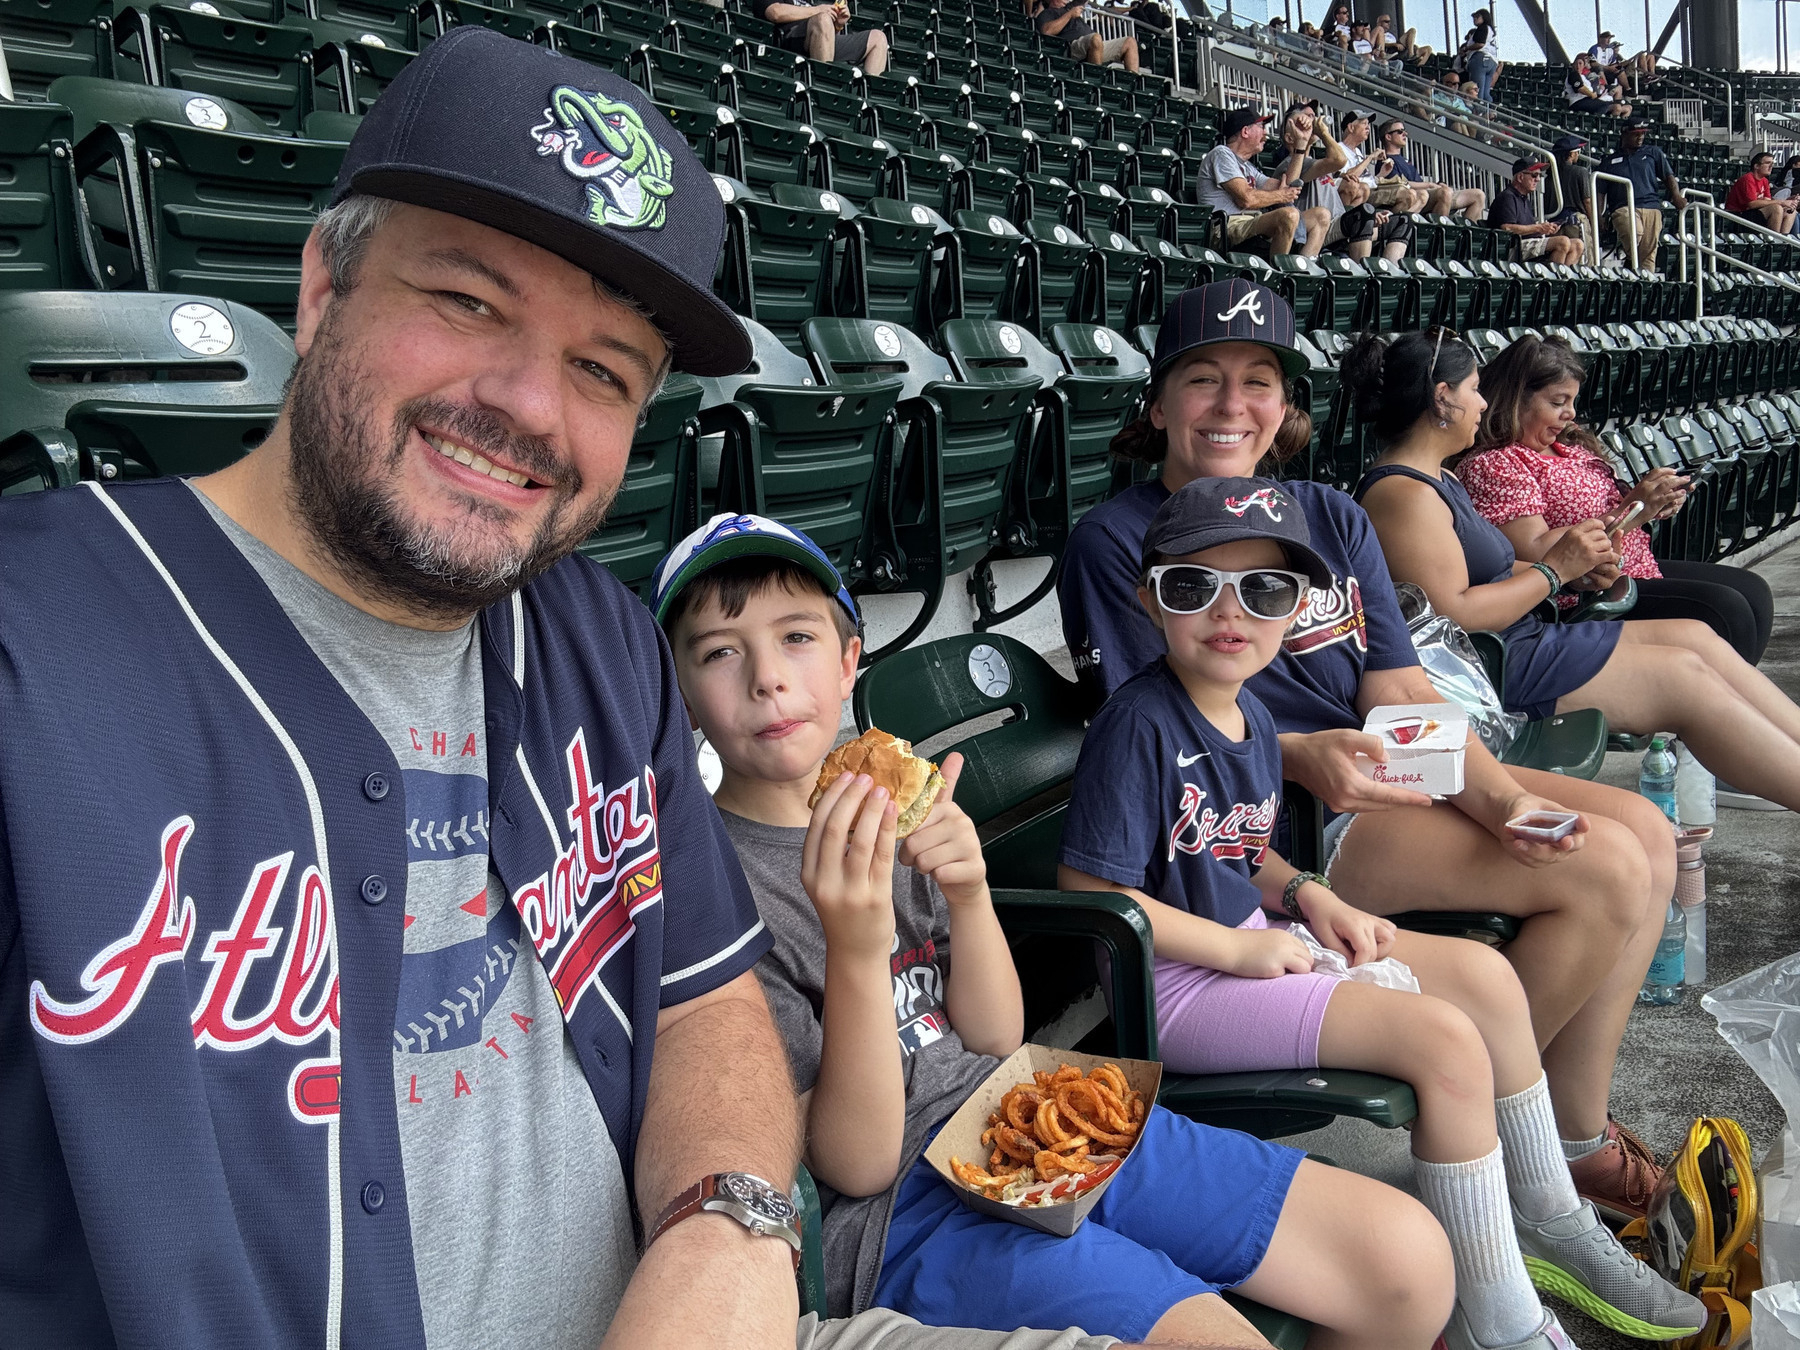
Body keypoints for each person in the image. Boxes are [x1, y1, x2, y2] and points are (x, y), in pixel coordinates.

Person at [0, 28, 821, 1350]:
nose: (527, 405)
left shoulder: (608, 642)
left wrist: (728, 1223)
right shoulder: (31, 640)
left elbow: (706, 993)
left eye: (603, 370)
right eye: (470, 303)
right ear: (323, 284)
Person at [656, 512, 1457, 1350]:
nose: (767, 680)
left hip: (1017, 1108)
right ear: (679, 695)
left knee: (1405, 1265)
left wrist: (968, 894)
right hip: (893, 1215)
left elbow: (995, 1037)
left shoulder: (892, 809)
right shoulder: (706, 890)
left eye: (797, 637)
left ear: (850, 657)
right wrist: (858, 949)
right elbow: (853, 1164)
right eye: (719, 651)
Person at [1057, 283, 1680, 1232]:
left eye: (1259, 381)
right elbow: (1157, 743)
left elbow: (1399, 695)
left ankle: (1560, 1129)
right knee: (1604, 870)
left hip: (1377, 768)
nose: (1232, 406)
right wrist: (1300, 757)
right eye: (1203, 380)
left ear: (1287, 406)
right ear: (1158, 404)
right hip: (1282, 817)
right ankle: (1530, 1147)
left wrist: (1500, 801)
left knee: (1644, 830)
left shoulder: (1332, 516)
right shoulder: (1118, 543)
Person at [1058, 473, 1705, 1350]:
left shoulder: (1245, 707)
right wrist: (1239, 949)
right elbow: (1094, 896)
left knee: (1481, 979)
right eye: (1191, 587)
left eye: (1265, 589)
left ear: (1299, 609)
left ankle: (1549, 1215)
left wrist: (1305, 893)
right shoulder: (1139, 725)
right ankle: (1501, 1324)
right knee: (1442, 1040)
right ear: (1149, 602)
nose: (1229, 613)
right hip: (1174, 986)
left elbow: (1233, 847)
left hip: (1242, 944)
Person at [1350, 329, 1800, 815]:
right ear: (1443, 399)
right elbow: (1458, 614)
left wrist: (1574, 572)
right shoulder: (1402, 495)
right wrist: (1552, 571)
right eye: (1474, 389)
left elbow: (1489, 569)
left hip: (1523, 639)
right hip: (1498, 667)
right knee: (1685, 679)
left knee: (1696, 637)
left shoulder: (1442, 475)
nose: (1483, 404)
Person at [1462, 333, 1773, 668]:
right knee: (1727, 610)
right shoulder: (1495, 463)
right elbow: (1535, 551)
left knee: (1753, 592)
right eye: (1557, 402)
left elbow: (1601, 507)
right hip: (1583, 593)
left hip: (1635, 567)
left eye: (1572, 401)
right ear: (1514, 399)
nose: (1570, 413)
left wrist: (1655, 502)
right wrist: (1634, 510)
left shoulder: (1565, 444)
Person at [1194, 107, 1314, 255]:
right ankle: (1278, 274)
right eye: (1261, 127)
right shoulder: (1221, 154)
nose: (1266, 133)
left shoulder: (1249, 168)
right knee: (1289, 215)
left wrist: (1301, 144)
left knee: (1320, 215)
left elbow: (1287, 185)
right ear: (1245, 131)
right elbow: (1246, 199)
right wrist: (1282, 195)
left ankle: (1303, 267)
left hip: (1251, 222)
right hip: (1227, 227)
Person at [1599, 118, 1685, 269]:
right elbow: (1600, 191)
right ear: (1624, 134)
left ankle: (1643, 284)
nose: (1640, 137)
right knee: (1635, 233)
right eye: (1636, 134)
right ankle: (1631, 263)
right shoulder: (1609, 161)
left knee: (1649, 255)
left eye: (1643, 134)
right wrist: (1599, 216)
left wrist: (1676, 195)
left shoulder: (1653, 152)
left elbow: (1668, 176)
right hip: (1623, 207)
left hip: (1651, 206)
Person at [1274, 103, 1353, 259]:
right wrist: (1323, 132)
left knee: (1394, 223)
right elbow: (1339, 159)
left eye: (1311, 117)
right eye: (1302, 121)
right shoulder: (1292, 163)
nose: (1309, 122)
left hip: (1336, 221)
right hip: (1321, 225)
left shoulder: (1314, 161)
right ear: (1289, 138)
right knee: (1363, 217)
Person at [1378, 119, 1489, 221]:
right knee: (1444, 192)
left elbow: (1418, 182)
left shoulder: (1405, 159)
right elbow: (1399, 184)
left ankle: (1465, 236)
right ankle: (1441, 234)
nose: (1405, 134)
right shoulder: (1385, 160)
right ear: (1388, 137)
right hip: (1414, 197)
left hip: (1426, 194)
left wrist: (1437, 184)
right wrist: (1430, 185)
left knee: (1478, 195)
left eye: (1405, 131)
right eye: (1400, 131)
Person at [1488, 158, 1583, 263]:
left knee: (1577, 245)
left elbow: (1530, 230)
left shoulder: (1524, 199)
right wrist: (1539, 227)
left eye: (1539, 175)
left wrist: (1546, 230)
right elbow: (1507, 228)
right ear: (1520, 177)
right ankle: (1554, 278)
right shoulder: (1508, 197)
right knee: (1563, 242)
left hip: (1526, 244)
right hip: (1510, 248)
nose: (1538, 179)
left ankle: (1564, 277)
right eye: (1534, 175)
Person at [759, 0, 889, 74]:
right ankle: (824, 85)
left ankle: (867, 105)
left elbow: (826, 35)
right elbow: (775, 12)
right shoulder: (817, 9)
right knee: (823, 19)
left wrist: (838, 25)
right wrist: (817, 10)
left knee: (879, 38)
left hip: (820, 38)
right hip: (790, 37)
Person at [1340, 110, 1429, 214]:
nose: (1368, 127)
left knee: (1417, 194)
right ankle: (1392, 224)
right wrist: (1369, 158)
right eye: (1364, 123)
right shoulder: (1339, 148)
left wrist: (1381, 174)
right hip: (1361, 193)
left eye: (1368, 124)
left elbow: (1368, 180)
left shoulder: (1358, 152)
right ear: (1351, 127)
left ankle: (1395, 223)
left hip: (1370, 190)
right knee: (1409, 194)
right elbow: (1348, 177)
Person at [1035, 0, 1140, 71]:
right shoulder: (1047, 13)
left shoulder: (1069, 7)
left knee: (1130, 42)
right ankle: (1096, 77)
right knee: (1095, 38)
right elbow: (1047, 31)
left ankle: (1134, 84)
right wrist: (1070, 14)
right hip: (1073, 46)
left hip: (1096, 45)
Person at [1727, 153, 1800, 234]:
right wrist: (1782, 202)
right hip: (1739, 216)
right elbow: (1752, 204)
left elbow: (1768, 200)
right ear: (1756, 166)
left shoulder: (1764, 180)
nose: (1771, 166)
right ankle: (1775, 240)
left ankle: (1783, 242)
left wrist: (1787, 201)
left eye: (1772, 163)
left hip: (1756, 213)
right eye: (1768, 163)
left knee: (1790, 210)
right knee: (1776, 208)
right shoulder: (1748, 179)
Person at [1563, 52, 1632, 117]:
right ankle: (1599, 120)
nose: (1578, 66)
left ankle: (1614, 125)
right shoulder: (1573, 74)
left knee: (1627, 108)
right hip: (1578, 102)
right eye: (1576, 63)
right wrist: (1592, 94)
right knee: (1616, 107)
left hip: (1589, 101)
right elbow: (1580, 88)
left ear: (1584, 65)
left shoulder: (1584, 77)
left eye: (1580, 63)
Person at [1460, 7, 1500, 103]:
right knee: (1486, 94)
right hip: (1492, 62)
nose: (1475, 19)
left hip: (1480, 59)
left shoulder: (1482, 28)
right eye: (1474, 17)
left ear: (1484, 17)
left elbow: (1480, 44)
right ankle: (1488, 112)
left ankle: (1478, 113)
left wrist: (1466, 48)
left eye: (1477, 16)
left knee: (1477, 91)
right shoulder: (1491, 30)